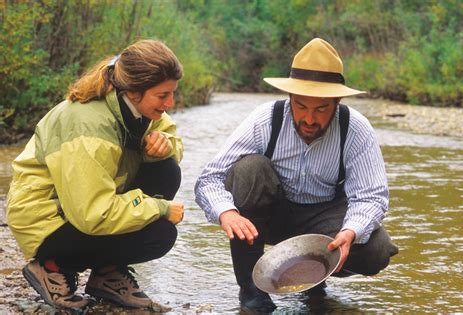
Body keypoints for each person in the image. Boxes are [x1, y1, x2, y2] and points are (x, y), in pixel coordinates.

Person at [194, 38, 398, 313]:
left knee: (378, 249)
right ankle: (251, 291)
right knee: (249, 170)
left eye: (321, 109)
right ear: (289, 97)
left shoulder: (356, 129)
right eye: (301, 106)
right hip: (269, 216)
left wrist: (351, 231)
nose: (309, 119)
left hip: (324, 222)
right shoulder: (264, 119)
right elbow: (210, 178)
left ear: (336, 102)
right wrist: (226, 213)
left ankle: (314, 276)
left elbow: (371, 197)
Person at [6, 39, 185, 310]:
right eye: (163, 96)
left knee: (166, 169)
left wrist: (163, 146)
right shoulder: (87, 124)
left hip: (80, 207)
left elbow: (173, 139)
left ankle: (107, 274)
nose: (169, 103)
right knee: (159, 234)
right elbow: (93, 214)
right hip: (45, 220)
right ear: (135, 91)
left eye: (172, 93)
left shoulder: (137, 106)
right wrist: (159, 207)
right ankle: (51, 267)